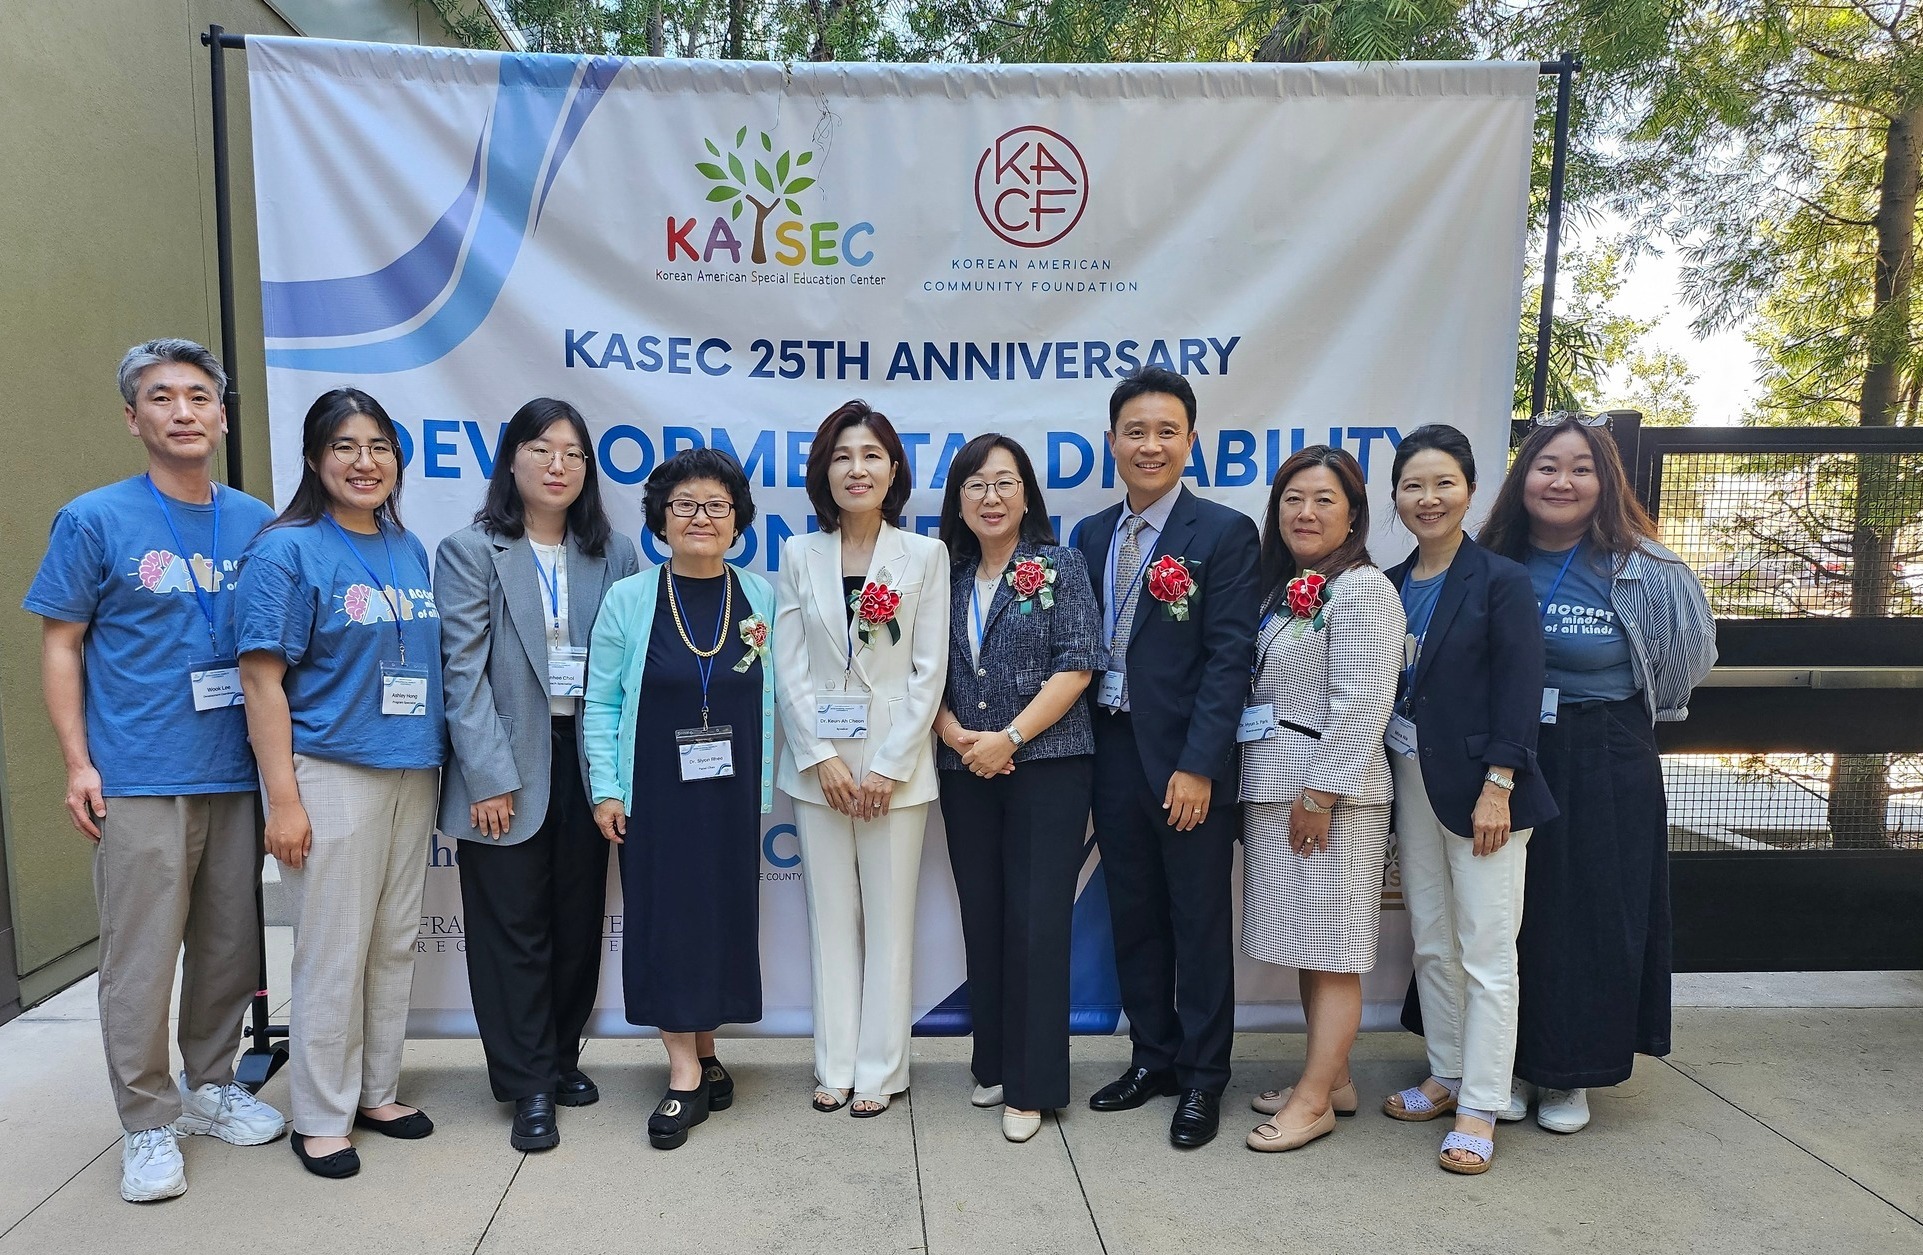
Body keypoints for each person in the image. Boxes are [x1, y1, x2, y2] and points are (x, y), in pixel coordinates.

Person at [24, 339, 284, 1203]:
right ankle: (145, 1119)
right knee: (140, 960)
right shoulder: (93, 519)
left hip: (235, 773)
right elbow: (61, 644)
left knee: (227, 948)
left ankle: (209, 1086)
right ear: (132, 417)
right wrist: (77, 762)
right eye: (163, 397)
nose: (183, 411)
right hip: (139, 775)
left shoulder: (256, 521)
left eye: (199, 396)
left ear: (222, 415)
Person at [1478, 413, 1716, 1135]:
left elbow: (1688, 662)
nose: (1562, 481)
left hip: (1606, 751)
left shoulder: (1648, 568)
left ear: (1605, 481)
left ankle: (1567, 1073)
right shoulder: (1488, 558)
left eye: (1580, 469)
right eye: (1547, 466)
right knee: (1506, 914)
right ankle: (1502, 1063)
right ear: (1522, 478)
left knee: (1590, 914)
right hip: (1507, 752)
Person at [234, 388, 444, 1179]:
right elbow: (260, 679)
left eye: (379, 446)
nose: (365, 462)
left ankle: (375, 1091)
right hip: (329, 771)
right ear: (314, 458)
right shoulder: (285, 550)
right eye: (346, 446)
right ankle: (320, 1115)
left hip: (409, 768)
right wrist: (284, 800)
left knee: (391, 942)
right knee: (332, 950)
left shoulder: (405, 545)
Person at [435, 398, 639, 1152]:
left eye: (573, 453)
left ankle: (559, 1056)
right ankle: (526, 1083)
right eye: (542, 449)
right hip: (503, 760)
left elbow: (624, 670)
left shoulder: (612, 554)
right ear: (511, 459)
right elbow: (462, 673)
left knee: (577, 923)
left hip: (586, 758)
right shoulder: (470, 550)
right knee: (511, 928)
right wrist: (489, 775)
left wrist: (616, 775)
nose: (558, 465)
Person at [1076, 368, 1261, 1149]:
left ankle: (1203, 1077)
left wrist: (1199, 764)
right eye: (1134, 431)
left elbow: (1228, 659)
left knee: (1196, 922)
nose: (1148, 445)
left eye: (1164, 431)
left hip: (1186, 761)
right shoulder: (1090, 535)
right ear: (1111, 441)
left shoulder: (1223, 532)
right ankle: (1151, 1056)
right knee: (1134, 915)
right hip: (1111, 750)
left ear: (1190, 441)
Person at [1378, 424, 1558, 1175]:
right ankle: (1446, 1073)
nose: (1428, 498)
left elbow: (1520, 687)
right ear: (1396, 496)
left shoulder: (1499, 579)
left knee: (1486, 952)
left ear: (1471, 491)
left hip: (1485, 788)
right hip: (1409, 776)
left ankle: (1481, 1104)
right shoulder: (1389, 582)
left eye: (1443, 483)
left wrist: (1498, 785)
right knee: (1430, 939)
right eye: (1413, 485)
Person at [584, 448, 776, 1150]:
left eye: (716, 505)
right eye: (685, 504)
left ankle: (706, 1043)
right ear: (661, 519)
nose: (701, 517)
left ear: (737, 520)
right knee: (667, 921)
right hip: (655, 796)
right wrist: (606, 788)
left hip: (730, 792)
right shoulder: (630, 598)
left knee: (721, 916)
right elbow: (601, 703)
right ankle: (683, 1070)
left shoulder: (761, 598)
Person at [774, 401, 949, 1118]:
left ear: (894, 469)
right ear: (824, 471)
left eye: (871, 455)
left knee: (889, 924)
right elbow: (787, 668)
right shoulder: (797, 554)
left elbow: (928, 672)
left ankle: (880, 1071)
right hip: (818, 774)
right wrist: (821, 758)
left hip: (893, 776)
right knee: (830, 923)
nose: (857, 468)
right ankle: (835, 1065)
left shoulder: (925, 555)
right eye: (842, 456)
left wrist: (887, 765)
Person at [931, 434, 1102, 1143]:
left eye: (1004, 482)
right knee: (984, 916)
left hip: (1047, 766)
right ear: (959, 500)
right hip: (963, 766)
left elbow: (1078, 664)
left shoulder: (1061, 565)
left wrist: (1009, 738)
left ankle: (1033, 1085)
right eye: (976, 484)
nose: (991, 497)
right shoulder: (944, 575)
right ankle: (995, 1061)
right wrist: (953, 734)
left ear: (1026, 494)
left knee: (1036, 922)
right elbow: (920, 672)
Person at [1238, 447, 1403, 1155]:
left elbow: (1363, 704)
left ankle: (1312, 1105)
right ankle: (1331, 1079)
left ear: (1354, 514)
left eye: (1323, 500)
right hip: (1281, 788)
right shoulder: (1292, 587)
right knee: (1313, 944)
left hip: (1327, 797)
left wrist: (1320, 792)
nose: (1305, 513)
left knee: (1334, 951)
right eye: (1292, 499)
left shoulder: (1362, 591)